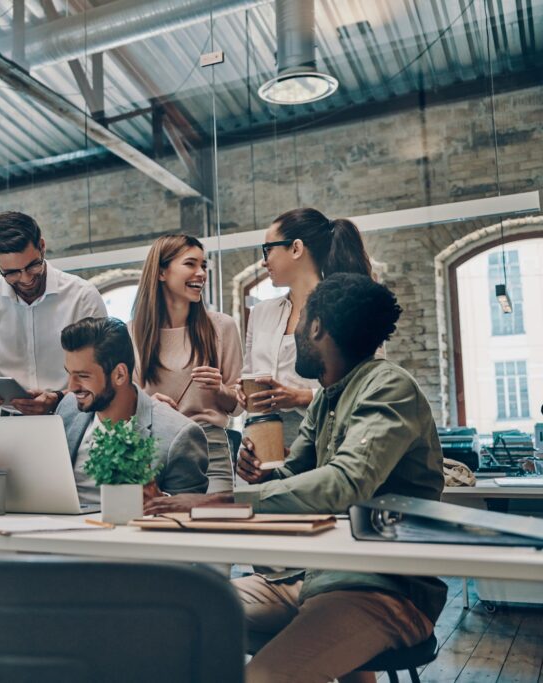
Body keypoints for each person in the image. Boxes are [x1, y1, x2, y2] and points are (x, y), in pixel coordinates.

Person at [146, 274, 445, 683]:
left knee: (266, 676)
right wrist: (256, 470)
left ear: (316, 326)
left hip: (386, 591)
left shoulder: (389, 386)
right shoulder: (327, 396)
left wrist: (221, 503)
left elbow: (345, 483)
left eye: (300, 322)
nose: (295, 332)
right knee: (173, 617)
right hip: (307, 579)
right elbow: (292, 475)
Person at [56, 316, 228, 504]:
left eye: (83, 376)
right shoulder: (67, 409)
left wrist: (159, 499)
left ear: (119, 375)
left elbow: (189, 510)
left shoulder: (179, 435)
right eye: (69, 373)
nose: (71, 387)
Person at [241, 208, 371, 443]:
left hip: (328, 443)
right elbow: (248, 378)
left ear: (296, 248)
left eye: (268, 249)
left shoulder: (350, 307)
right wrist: (241, 394)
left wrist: (301, 397)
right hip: (266, 444)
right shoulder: (260, 313)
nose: (263, 261)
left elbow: (368, 385)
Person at [0, 211, 106, 415]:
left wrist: (59, 398)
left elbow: (101, 371)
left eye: (33, 266)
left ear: (42, 247)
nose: (26, 279)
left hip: (73, 414)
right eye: (12, 272)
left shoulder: (82, 296)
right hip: (11, 419)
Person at [131, 234, 242, 486]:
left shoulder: (222, 327)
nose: (201, 273)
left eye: (203, 265)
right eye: (190, 264)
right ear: (161, 272)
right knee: (153, 524)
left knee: (214, 522)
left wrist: (220, 389)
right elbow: (124, 405)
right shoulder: (131, 333)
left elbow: (237, 405)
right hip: (152, 449)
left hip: (209, 449)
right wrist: (150, 407)